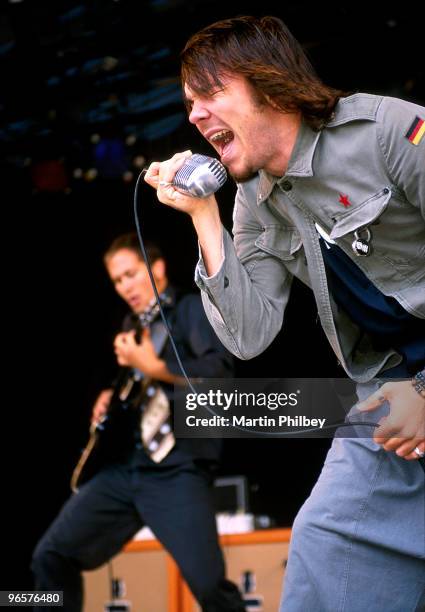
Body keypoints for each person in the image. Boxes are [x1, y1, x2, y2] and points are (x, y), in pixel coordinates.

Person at [143, 15, 425, 612]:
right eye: (188, 103)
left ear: (268, 84)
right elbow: (247, 337)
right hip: (388, 398)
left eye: (209, 93)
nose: (192, 115)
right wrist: (203, 216)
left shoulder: (388, 132)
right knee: (327, 540)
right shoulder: (252, 204)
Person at [32, 233, 246, 612]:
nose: (124, 286)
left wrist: (155, 368)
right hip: (124, 469)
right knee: (50, 554)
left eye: (131, 274)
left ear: (157, 268)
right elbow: (135, 395)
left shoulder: (191, 309)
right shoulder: (131, 328)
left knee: (210, 586)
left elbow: (218, 375)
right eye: (117, 280)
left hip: (176, 469)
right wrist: (108, 403)